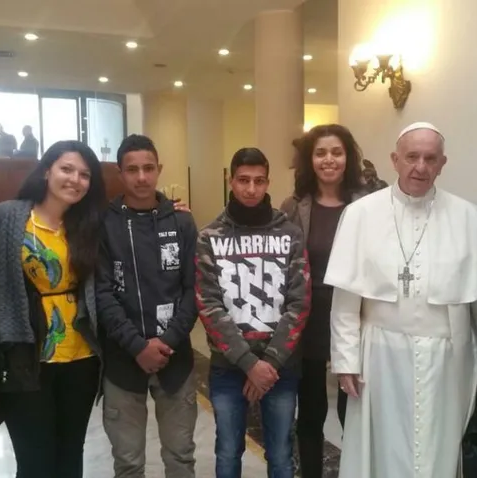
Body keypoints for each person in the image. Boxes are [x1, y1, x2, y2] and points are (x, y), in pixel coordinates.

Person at [326, 122, 477, 478]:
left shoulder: (467, 216)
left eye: (430, 158)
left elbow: (474, 305)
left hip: (445, 359)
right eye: (412, 157)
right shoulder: (360, 214)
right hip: (379, 355)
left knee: (437, 448)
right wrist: (346, 360)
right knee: (383, 448)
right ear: (395, 160)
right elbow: (346, 299)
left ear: (443, 163)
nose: (420, 167)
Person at [0, 140, 106, 478]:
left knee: (70, 454)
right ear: (47, 170)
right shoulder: (7, 217)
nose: (75, 179)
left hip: (81, 357)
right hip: (25, 357)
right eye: (67, 169)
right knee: (35, 460)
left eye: (85, 174)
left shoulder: (90, 223)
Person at [196, 147, 310, 478]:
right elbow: (208, 304)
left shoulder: (290, 234)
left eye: (259, 181)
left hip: (280, 366)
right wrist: (249, 364)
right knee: (228, 452)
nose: (251, 188)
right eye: (243, 180)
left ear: (267, 183)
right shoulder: (210, 237)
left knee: (281, 454)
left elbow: (300, 302)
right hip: (228, 366)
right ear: (231, 181)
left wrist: (269, 363)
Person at [96, 134, 199, 477]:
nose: (141, 177)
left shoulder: (182, 222)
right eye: (132, 169)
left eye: (148, 168)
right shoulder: (104, 224)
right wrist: (138, 346)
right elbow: (103, 293)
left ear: (159, 169)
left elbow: (194, 289)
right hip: (122, 359)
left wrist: (167, 341)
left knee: (180, 457)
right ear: (120, 173)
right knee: (128, 463)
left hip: (175, 358)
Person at [280, 124, 365, 478]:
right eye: (320, 153)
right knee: (311, 413)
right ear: (309, 160)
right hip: (309, 322)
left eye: (336, 152)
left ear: (348, 158)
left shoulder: (366, 204)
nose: (329, 160)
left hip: (357, 320)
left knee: (354, 412)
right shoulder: (293, 206)